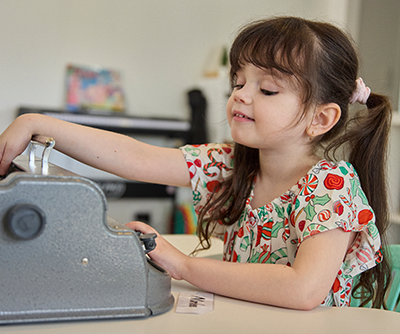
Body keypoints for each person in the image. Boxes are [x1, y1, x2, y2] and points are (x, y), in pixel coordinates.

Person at [0, 16, 392, 310]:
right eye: (238, 82)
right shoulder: (234, 164)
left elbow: (303, 289)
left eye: (267, 89)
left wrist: (184, 266)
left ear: (320, 119)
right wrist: (37, 123)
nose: (241, 95)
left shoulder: (330, 185)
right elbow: (137, 158)